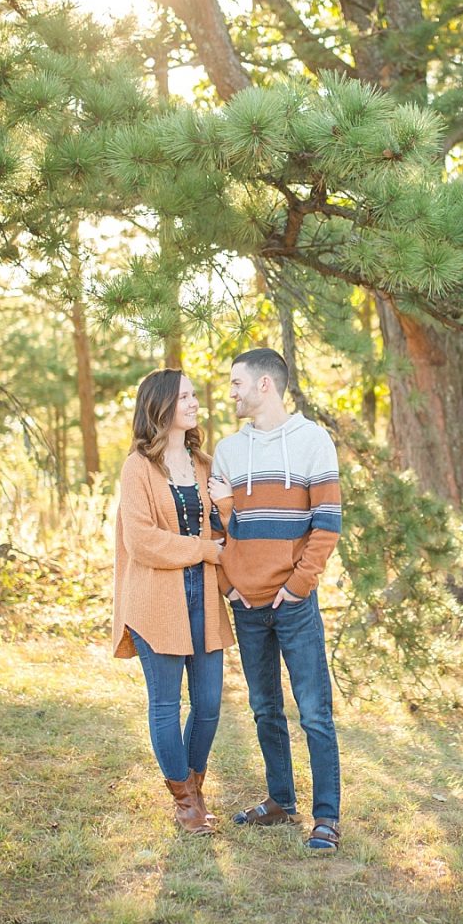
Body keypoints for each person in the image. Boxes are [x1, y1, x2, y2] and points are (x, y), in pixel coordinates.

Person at [207, 348, 344, 854]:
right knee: (266, 709)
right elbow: (219, 528)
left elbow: (326, 525)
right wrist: (230, 586)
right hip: (247, 605)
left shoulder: (312, 442)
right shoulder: (227, 450)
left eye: (237, 382)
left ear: (266, 385)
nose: (231, 391)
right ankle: (281, 802)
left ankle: (326, 817)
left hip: (293, 603)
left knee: (313, 712)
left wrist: (298, 587)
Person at [112, 368, 233, 835]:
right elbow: (142, 540)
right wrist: (204, 549)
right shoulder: (137, 467)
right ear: (160, 405)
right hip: (155, 600)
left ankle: (196, 790)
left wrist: (225, 513)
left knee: (207, 705)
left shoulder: (204, 465)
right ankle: (185, 804)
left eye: (194, 394)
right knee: (165, 705)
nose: (194, 402)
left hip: (202, 596)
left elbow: (222, 528)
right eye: (184, 396)